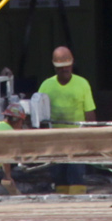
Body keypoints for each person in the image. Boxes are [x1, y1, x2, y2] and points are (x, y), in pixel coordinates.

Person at [38, 46, 96, 194]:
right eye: (60, 67)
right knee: (58, 174)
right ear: (54, 67)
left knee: (76, 172)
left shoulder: (82, 84)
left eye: (67, 66)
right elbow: (40, 116)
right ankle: (61, 203)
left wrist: (91, 137)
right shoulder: (46, 86)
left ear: (72, 64)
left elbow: (89, 113)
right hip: (55, 139)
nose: (64, 70)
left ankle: (78, 204)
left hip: (78, 138)